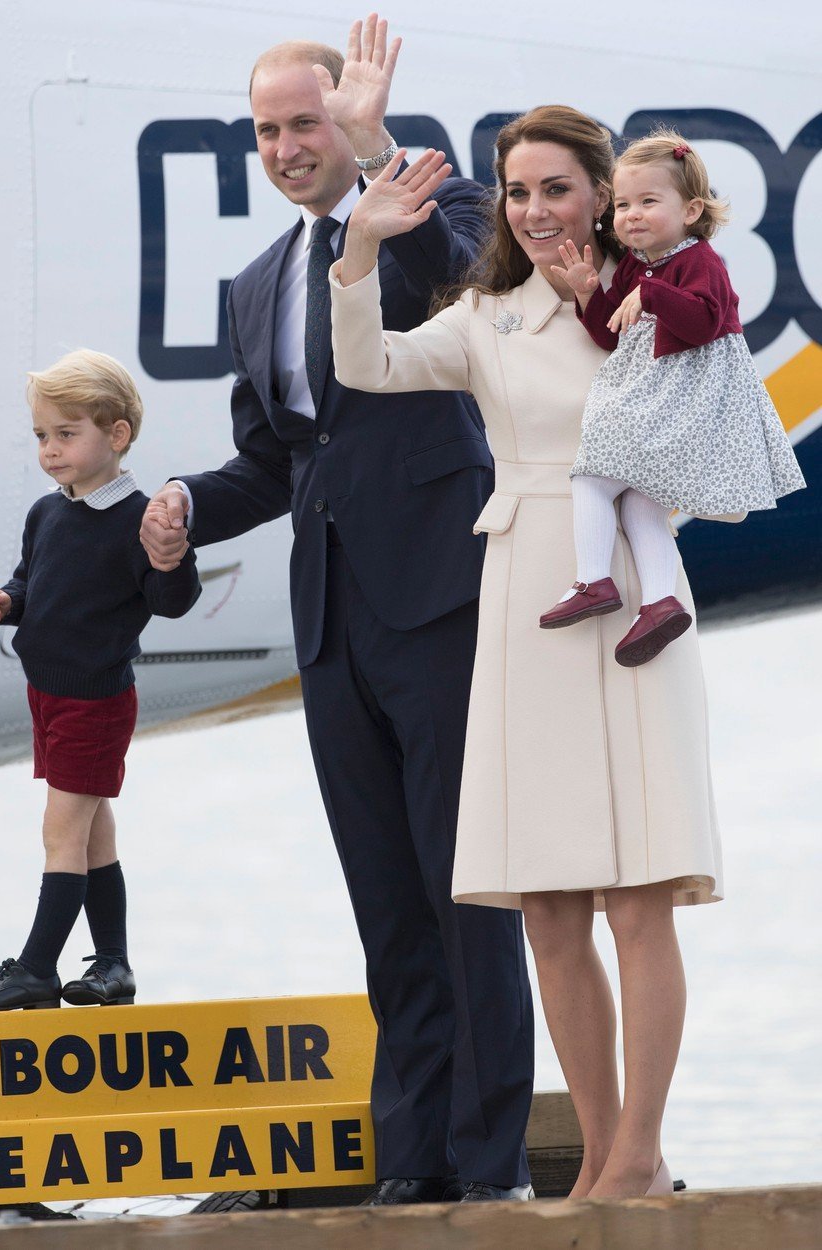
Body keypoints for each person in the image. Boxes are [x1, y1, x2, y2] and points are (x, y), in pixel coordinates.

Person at [140, 16, 534, 1208]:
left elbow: (477, 284)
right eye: (266, 131)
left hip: (440, 592)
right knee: (384, 896)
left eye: (301, 122)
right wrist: (178, 508)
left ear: (340, 120)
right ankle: (409, 1158)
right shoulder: (258, 281)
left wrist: (378, 158)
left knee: (464, 887)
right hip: (331, 616)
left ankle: (487, 1167)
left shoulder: (424, 208)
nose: (283, 147)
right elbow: (273, 462)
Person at [330, 105, 726, 1199]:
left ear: (601, 193)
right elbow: (368, 366)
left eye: (556, 188)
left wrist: (599, 304)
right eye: (517, 191)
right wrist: (359, 247)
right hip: (522, 589)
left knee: (637, 891)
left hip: (633, 590)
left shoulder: (666, 295)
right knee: (549, 902)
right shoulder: (485, 311)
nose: (536, 210)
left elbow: (690, 436)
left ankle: (639, 1150)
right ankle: (601, 1151)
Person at [0, 350, 201, 1012]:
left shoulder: (141, 518)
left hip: (94, 700)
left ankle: (36, 970)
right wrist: (5, 603)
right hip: (48, 694)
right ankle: (113, 967)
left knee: (61, 833)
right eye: (42, 436)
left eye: (67, 434)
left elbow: (170, 599)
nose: (51, 450)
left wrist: (172, 554)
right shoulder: (47, 512)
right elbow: (33, 583)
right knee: (92, 832)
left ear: (116, 435)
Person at [539, 129, 806, 664]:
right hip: (661, 401)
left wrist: (654, 293)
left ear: (690, 211)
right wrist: (591, 293)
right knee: (640, 500)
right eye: (623, 205)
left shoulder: (699, 260)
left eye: (648, 202)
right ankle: (660, 601)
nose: (631, 215)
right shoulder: (640, 267)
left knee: (591, 476)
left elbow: (706, 321)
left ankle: (594, 580)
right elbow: (612, 334)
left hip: (686, 403)